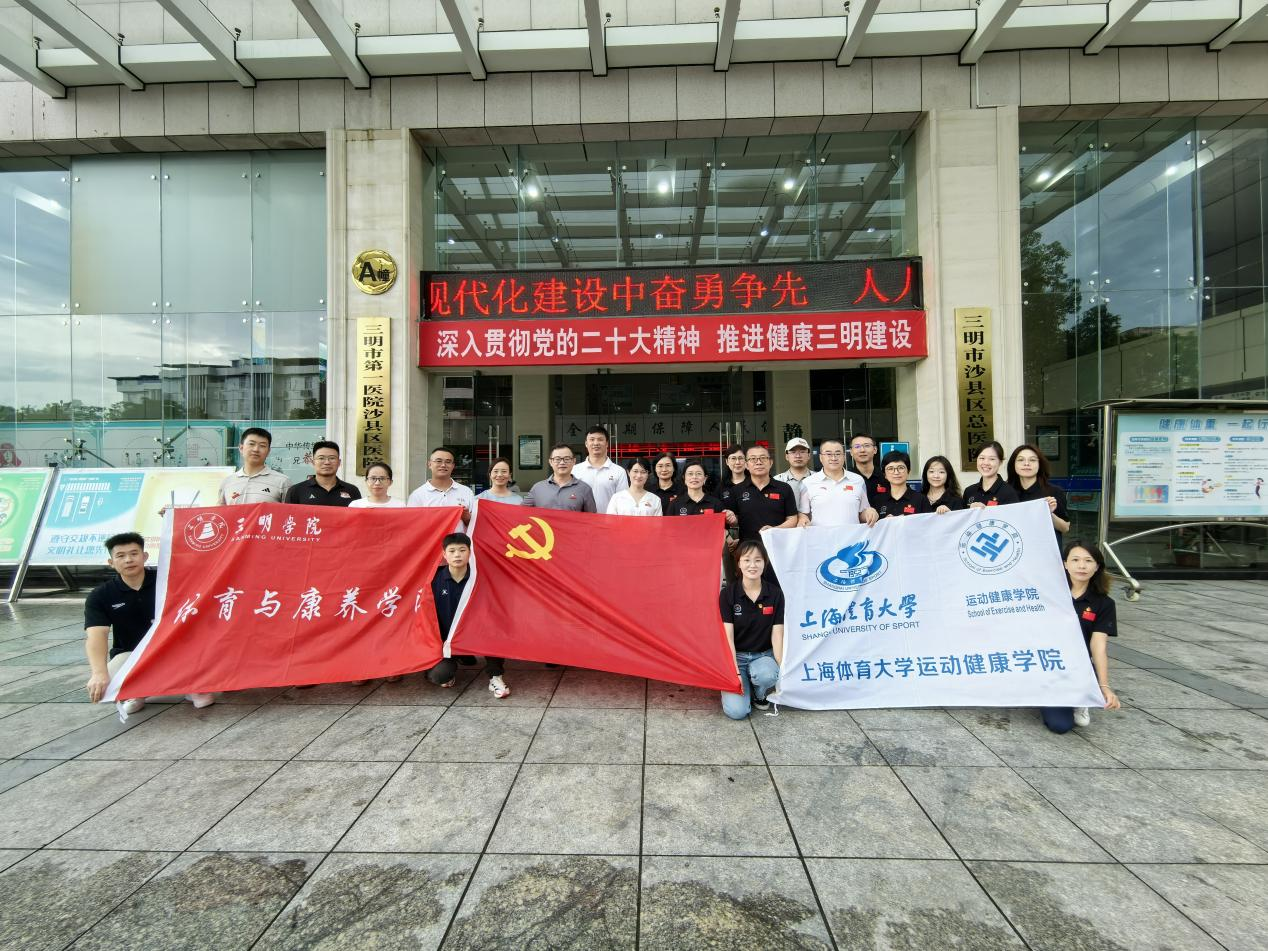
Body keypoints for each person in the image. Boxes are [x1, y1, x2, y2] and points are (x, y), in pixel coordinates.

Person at [84, 532, 213, 713]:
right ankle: (137, 693)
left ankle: (191, 685)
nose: (128, 560)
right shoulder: (101, 595)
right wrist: (98, 673)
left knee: (204, 700)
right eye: (120, 556)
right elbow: (97, 635)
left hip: (176, 650)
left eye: (134, 553)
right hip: (133, 654)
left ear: (144, 556)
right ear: (111, 562)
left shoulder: (168, 580)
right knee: (107, 684)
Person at [1042, 540, 1121, 733]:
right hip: (1045, 663)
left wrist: (1104, 686)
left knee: (1060, 726)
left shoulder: (1104, 604)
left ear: (1097, 566)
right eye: (1075, 560)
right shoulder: (1047, 594)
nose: (1082, 566)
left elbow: (1098, 646)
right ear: (1065, 564)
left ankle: (1082, 697)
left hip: (1077, 667)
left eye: (1088, 561)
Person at [426, 533, 510, 699]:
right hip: (447, 640)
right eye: (452, 551)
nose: (457, 555)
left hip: (478, 633)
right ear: (444, 554)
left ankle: (495, 676)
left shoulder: (479, 576)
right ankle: (452, 666)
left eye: (462, 550)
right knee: (439, 676)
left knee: (495, 630)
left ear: (470, 552)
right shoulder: (434, 580)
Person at [719, 540, 784, 719]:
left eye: (758, 560)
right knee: (737, 712)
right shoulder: (728, 594)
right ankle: (744, 683)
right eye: (747, 560)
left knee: (767, 675)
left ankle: (759, 693)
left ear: (765, 563)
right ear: (739, 563)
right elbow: (727, 637)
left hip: (763, 657)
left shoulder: (775, 594)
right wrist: (734, 672)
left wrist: (782, 671)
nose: (752, 565)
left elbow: (777, 636)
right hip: (737, 659)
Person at [798, 438, 878, 528]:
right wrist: (803, 519)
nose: (833, 458)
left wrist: (869, 513)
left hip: (852, 536)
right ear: (821, 457)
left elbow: (862, 512)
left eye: (838, 454)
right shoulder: (808, 483)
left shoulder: (858, 480)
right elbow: (804, 513)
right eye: (828, 454)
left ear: (844, 456)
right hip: (820, 536)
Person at [1007, 443, 1070, 548]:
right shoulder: (1006, 491)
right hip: (1014, 549)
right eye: (1021, 460)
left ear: (1040, 464)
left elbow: (1065, 528)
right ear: (1013, 464)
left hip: (1043, 550)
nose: (1026, 464)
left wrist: (1048, 513)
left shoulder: (1053, 492)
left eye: (1032, 460)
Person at [217, 427, 291, 505]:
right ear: (241, 448)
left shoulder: (282, 482)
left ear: (268, 451)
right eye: (251, 444)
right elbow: (221, 511)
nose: (256, 449)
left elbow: (290, 511)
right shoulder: (227, 482)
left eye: (262, 445)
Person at [407, 446, 475, 524]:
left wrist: (467, 517)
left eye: (448, 462)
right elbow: (412, 524)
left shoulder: (466, 492)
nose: (443, 465)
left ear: (453, 466)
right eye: (438, 461)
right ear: (429, 464)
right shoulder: (417, 495)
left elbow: (476, 525)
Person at [284, 440, 361, 506]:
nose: (327, 462)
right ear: (313, 462)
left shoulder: (352, 491)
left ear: (339, 462)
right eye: (321, 458)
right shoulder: (296, 491)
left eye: (332, 458)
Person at [525, 444, 597, 511]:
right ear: (550, 462)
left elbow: (591, 518)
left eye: (567, 459)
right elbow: (521, 512)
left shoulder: (585, 489)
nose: (562, 462)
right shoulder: (538, 488)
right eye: (557, 459)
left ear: (574, 461)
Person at [574, 426, 629, 513]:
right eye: (592, 439)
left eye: (600, 439)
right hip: (582, 520)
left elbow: (623, 501)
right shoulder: (575, 470)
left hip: (609, 520)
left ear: (607, 443)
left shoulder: (619, 471)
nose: (596, 443)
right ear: (586, 443)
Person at [873, 450, 932, 518]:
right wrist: (885, 522)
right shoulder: (878, 501)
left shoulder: (921, 499)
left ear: (908, 471)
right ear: (885, 474)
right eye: (890, 469)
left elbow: (929, 523)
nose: (896, 472)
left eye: (901, 468)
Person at [963, 441, 1020, 508]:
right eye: (982, 458)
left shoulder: (1009, 492)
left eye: (992, 459)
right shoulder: (969, 491)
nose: (986, 463)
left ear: (1000, 462)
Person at [848, 432, 886, 507]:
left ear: (875, 450)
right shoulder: (846, 479)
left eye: (867, 446)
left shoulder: (886, 477)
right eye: (857, 446)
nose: (862, 450)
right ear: (851, 452)